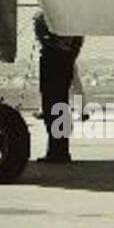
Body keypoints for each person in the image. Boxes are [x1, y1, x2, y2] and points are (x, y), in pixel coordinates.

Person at [35, 12, 83, 164]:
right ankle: (60, 149)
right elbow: (77, 42)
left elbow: (42, 34)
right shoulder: (74, 19)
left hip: (52, 59)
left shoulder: (44, 16)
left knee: (51, 105)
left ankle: (56, 151)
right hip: (65, 59)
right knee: (61, 104)